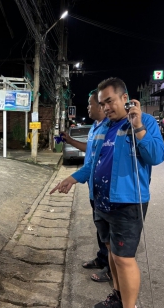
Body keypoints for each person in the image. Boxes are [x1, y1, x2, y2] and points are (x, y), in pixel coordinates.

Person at [51, 77, 164, 308]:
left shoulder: (145, 123)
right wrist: (72, 179)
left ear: (125, 98)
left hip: (127, 203)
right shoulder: (103, 127)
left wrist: (139, 127)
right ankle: (117, 296)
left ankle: (129, 306)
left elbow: (156, 156)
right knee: (111, 252)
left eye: (110, 101)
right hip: (101, 201)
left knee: (124, 259)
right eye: (102, 103)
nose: (105, 107)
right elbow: (91, 164)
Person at [61, 89, 111, 283]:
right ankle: (102, 258)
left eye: (90, 104)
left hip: (107, 190)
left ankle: (110, 267)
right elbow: (90, 153)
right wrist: (70, 140)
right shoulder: (95, 127)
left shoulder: (110, 127)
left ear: (101, 105)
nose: (88, 107)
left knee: (109, 233)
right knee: (100, 229)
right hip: (94, 187)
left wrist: (73, 178)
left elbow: (99, 160)